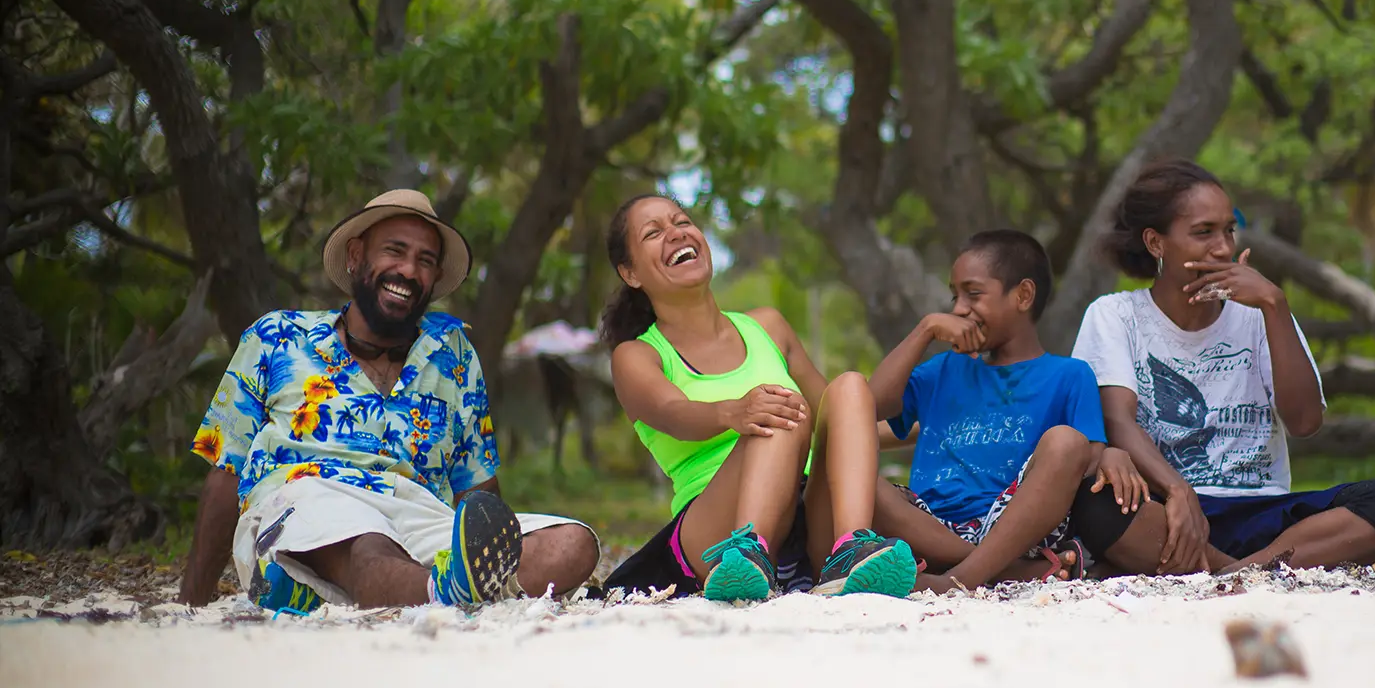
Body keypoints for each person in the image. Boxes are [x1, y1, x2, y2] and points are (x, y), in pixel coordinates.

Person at [190, 190, 600, 612]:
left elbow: (478, 489)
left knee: (572, 543)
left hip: (419, 517)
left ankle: (366, 592)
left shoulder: (453, 353)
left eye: (425, 261)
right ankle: (438, 594)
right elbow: (224, 469)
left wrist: (493, 546)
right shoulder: (276, 336)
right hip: (304, 501)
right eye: (395, 251)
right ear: (355, 255)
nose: (408, 270)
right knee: (368, 544)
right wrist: (192, 602)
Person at [1072, 161, 1375, 573]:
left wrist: (1274, 304)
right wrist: (1178, 489)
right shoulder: (1116, 314)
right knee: (1092, 501)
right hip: (1166, 513)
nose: (1222, 248)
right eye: (1204, 232)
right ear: (1155, 243)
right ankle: (1260, 569)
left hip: (1263, 515)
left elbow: (1306, 422)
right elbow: (1117, 420)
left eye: (1229, 230)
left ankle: (1233, 572)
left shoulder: (1259, 314)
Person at [598, 195, 918, 602]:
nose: (676, 232)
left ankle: (849, 549)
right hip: (713, 528)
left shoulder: (768, 326)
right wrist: (736, 412)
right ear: (630, 273)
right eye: (654, 232)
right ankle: (747, 553)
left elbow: (840, 425)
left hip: (803, 511)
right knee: (778, 409)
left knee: (850, 387)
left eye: (681, 221)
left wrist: (927, 431)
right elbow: (673, 412)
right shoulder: (638, 355)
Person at [869, 229, 1180, 590]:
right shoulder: (941, 371)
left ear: (1023, 295)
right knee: (857, 478)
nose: (958, 310)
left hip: (1014, 523)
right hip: (927, 522)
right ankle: (1006, 570)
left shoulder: (1068, 374)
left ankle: (963, 577)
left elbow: (1085, 457)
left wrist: (1110, 451)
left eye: (973, 294)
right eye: (954, 297)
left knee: (1065, 441)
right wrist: (924, 329)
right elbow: (870, 406)